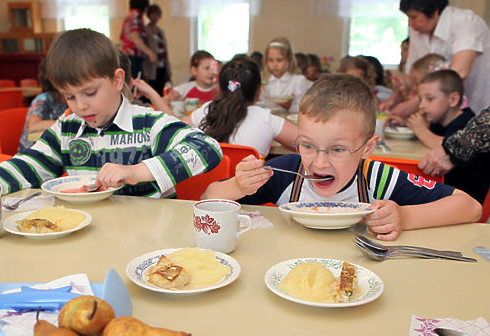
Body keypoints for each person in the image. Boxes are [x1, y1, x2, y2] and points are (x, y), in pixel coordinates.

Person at [0, 28, 222, 205]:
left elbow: (208, 148)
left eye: (90, 93)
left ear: (116, 80)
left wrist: (136, 172)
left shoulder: (148, 123)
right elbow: (29, 164)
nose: (81, 107)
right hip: (89, 231)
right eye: (70, 96)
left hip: (149, 240)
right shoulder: (67, 129)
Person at [202, 74, 481, 240]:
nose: (319, 163)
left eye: (337, 149)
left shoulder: (378, 179)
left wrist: (404, 217)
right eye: (308, 146)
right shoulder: (287, 171)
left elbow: (470, 207)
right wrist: (238, 186)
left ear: (367, 148)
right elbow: (208, 198)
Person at [189, 57, 297, 158]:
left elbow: (174, 133)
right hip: (248, 178)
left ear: (219, 90)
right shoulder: (266, 119)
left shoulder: (206, 110)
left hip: (211, 179)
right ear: (259, 91)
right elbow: (308, 144)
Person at [409, 70, 489, 203]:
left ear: (453, 99)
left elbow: (447, 145)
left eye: (429, 99)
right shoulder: (438, 122)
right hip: (446, 192)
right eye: (420, 99)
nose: (421, 105)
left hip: (467, 199)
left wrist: (421, 130)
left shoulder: (467, 122)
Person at [400, 0, 490, 115]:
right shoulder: (418, 29)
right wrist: (399, 93)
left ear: (434, 13)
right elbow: (412, 73)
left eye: (413, 17)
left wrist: (416, 102)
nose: (410, 24)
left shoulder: (466, 22)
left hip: (478, 104)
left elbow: (459, 73)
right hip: (443, 111)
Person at [18, 59, 68, 151]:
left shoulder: (69, 98)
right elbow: (33, 125)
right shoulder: (43, 99)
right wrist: (66, 124)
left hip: (54, 146)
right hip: (34, 152)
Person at [260, 37, 311, 113]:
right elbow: (261, 103)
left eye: (279, 60)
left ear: (289, 60)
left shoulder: (298, 80)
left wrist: (289, 107)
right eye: (270, 60)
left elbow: (304, 109)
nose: (274, 64)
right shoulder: (264, 78)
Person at [120, 0, 156, 78]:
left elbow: (122, 40)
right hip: (133, 57)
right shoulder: (136, 16)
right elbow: (136, 39)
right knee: (137, 84)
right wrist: (150, 53)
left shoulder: (129, 17)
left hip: (128, 56)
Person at [143, 4, 171, 96]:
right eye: (152, 14)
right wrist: (145, 72)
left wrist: (168, 71)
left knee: (160, 92)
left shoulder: (160, 31)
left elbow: (165, 51)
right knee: (151, 92)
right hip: (151, 67)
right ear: (149, 15)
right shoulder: (145, 30)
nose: (155, 17)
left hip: (162, 66)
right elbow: (144, 52)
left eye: (156, 14)